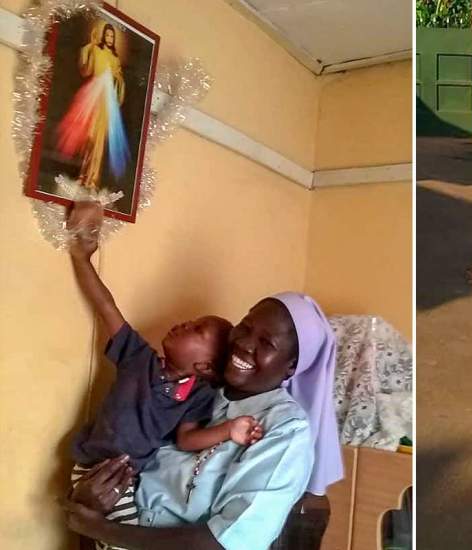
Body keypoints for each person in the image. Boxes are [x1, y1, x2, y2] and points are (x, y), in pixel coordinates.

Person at [63, 289, 344, 550]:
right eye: (245, 327)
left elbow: (227, 541)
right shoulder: (194, 390)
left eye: (267, 343)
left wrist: (98, 527)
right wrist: (89, 507)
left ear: (291, 365)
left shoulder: (284, 429)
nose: (245, 344)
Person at [65, 202, 260, 522]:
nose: (184, 324)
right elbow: (105, 305)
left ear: (205, 368)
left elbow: (187, 439)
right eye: (192, 321)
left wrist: (229, 430)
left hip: (125, 482)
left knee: (116, 541)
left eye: (196, 329)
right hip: (88, 464)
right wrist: (81, 257)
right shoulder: (137, 356)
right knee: (98, 532)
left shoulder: (198, 395)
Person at [56, 22, 130, 189]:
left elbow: (119, 80)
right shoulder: (95, 50)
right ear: (103, 35)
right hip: (93, 94)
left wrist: (118, 80)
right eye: (108, 35)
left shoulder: (115, 58)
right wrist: (89, 45)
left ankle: (92, 179)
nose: (110, 38)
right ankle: (82, 174)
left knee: (99, 141)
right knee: (88, 136)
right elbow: (86, 70)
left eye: (112, 36)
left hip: (107, 99)